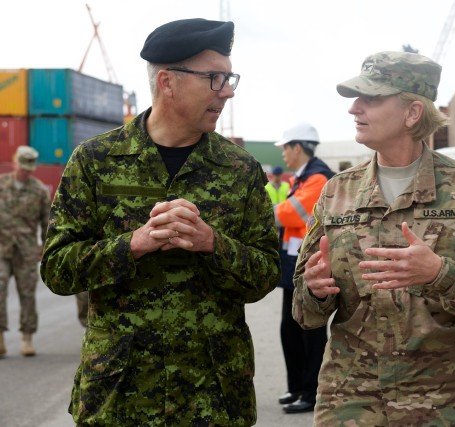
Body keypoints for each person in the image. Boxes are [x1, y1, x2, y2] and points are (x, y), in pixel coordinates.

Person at [40, 18, 280, 426]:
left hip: (214, 395)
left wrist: (211, 243)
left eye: (230, 77)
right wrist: (132, 244)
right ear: (168, 81)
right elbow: (57, 270)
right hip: (120, 394)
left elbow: (265, 276)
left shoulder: (240, 169)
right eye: (215, 78)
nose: (228, 91)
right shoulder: (96, 161)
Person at [292, 51, 455, 425]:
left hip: (447, 405)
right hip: (353, 405)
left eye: (371, 98)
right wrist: (315, 290)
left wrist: (438, 274)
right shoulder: (337, 194)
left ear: (412, 113)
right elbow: (304, 314)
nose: (354, 109)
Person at [273, 122, 333, 414]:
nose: (283, 154)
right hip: (294, 263)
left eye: (285, 147)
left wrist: (263, 213)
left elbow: (289, 214)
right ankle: (297, 387)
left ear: (297, 147)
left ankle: (311, 392)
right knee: (290, 329)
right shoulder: (302, 177)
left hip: (311, 265)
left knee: (309, 331)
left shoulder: (317, 177)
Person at [0, 146, 50, 358]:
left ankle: (27, 338)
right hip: (2, 248)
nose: (25, 172)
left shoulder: (40, 191)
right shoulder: (1, 185)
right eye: (22, 167)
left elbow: (47, 223)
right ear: (15, 163)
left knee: (27, 294)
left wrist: (46, 248)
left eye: (29, 168)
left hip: (27, 250)